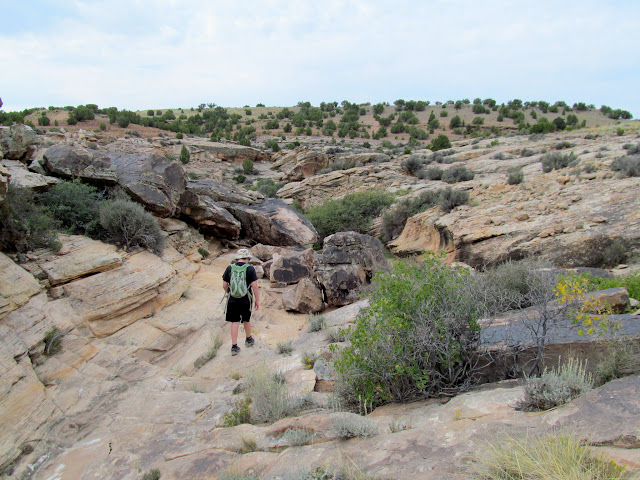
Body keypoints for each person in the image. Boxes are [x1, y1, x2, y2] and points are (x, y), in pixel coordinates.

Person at [222, 248, 260, 355]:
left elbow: (224, 285)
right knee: (246, 319)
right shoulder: (250, 268)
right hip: (246, 299)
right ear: (247, 258)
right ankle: (248, 339)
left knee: (235, 322)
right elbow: (255, 286)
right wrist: (257, 300)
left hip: (232, 299)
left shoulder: (230, 268)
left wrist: (230, 292)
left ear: (238, 258)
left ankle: (234, 346)